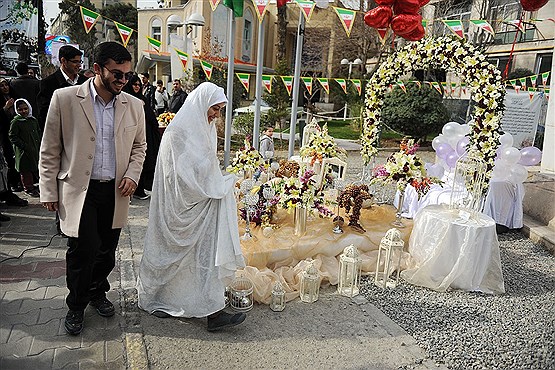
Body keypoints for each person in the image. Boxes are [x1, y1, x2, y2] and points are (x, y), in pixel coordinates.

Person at [39, 41, 147, 335]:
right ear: (97, 69)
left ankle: (98, 291)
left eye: (127, 75)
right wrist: (48, 191)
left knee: (106, 252)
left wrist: (133, 175)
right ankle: (76, 305)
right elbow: (50, 149)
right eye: (116, 74)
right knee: (82, 250)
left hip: (115, 191)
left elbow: (140, 147)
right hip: (78, 190)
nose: (123, 81)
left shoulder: (134, 105)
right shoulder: (64, 99)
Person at [137, 82, 246, 332]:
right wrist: (217, 184)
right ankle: (161, 299)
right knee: (175, 259)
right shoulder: (177, 132)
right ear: (201, 104)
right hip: (179, 208)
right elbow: (178, 176)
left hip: (202, 205)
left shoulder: (206, 128)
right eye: (214, 109)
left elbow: (207, 165)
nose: (216, 115)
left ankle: (213, 310)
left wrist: (219, 182)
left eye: (219, 110)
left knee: (205, 258)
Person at [123, 75, 161, 199]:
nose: (137, 87)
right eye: (134, 84)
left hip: (146, 135)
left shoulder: (142, 99)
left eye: (139, 85)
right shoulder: (126, 99)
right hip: (131, 136)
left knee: (145, 161)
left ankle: (140, 189)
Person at [37, 45, 88, 130]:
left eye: (80, 62)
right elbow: (45, 114)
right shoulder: (48, 84)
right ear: (63, 61)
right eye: (75, 62)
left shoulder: (85, 82)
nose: (79, 65)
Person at [9, 99, 41, 197]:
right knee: (25, 170)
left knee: (36, 167)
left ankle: (38, 186)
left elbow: (38, 131)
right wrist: (23, 146)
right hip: (23, 151)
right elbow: (12, 136)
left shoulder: (33, 120)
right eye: (20, 110)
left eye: (25, 109)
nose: (23, 111)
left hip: (35, 148)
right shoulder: (16, 122)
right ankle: (28, 188)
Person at [1, 77, 23, 192]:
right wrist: (6, 107)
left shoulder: (14, 97)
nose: (5, 88)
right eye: (2, 86)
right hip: (5, 133)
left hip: (18, 131)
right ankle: (12, 183)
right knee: (9, 158)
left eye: (6, 85)